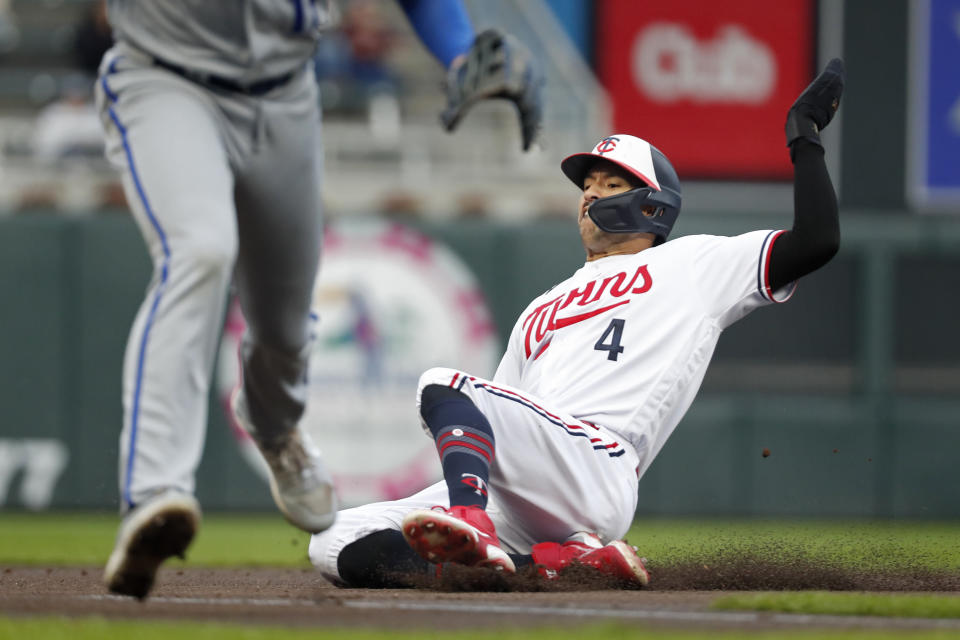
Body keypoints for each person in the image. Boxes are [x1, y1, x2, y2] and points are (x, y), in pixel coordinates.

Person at [307, 59, 846, 588]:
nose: (589, 194)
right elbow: (497, 423)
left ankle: (473, 523)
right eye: (587, 185)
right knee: (333, 540)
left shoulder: (693, 264)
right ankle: (557, 565)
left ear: (653, 205)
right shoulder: (541, 307)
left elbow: (816, 241)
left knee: (443, 384)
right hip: (528, 487)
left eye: (610, 184)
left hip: (596, 463)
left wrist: (805, 136)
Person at [97, 0, 543, 600]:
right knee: (198, 252)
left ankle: (275, 424)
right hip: (164, 79)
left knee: (284, 318)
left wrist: (459, 49)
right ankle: (155, 493)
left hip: (283, 94)